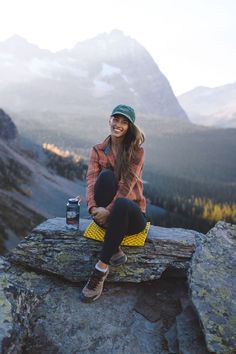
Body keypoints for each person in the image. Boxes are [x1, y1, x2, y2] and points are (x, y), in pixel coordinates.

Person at [81, 104, 147, 302]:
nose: (118, 125)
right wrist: (93, 208)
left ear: (130, 127)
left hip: (132, 218)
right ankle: (114, 246)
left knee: (122, 204)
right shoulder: (98, 150)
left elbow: (126, 187)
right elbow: (91, 181)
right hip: (106, 216)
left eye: (124, 122)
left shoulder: (137, 152)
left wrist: (107, 211)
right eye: (115, 119)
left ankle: (100, 271)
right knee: (105, 177)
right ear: (109, 120)